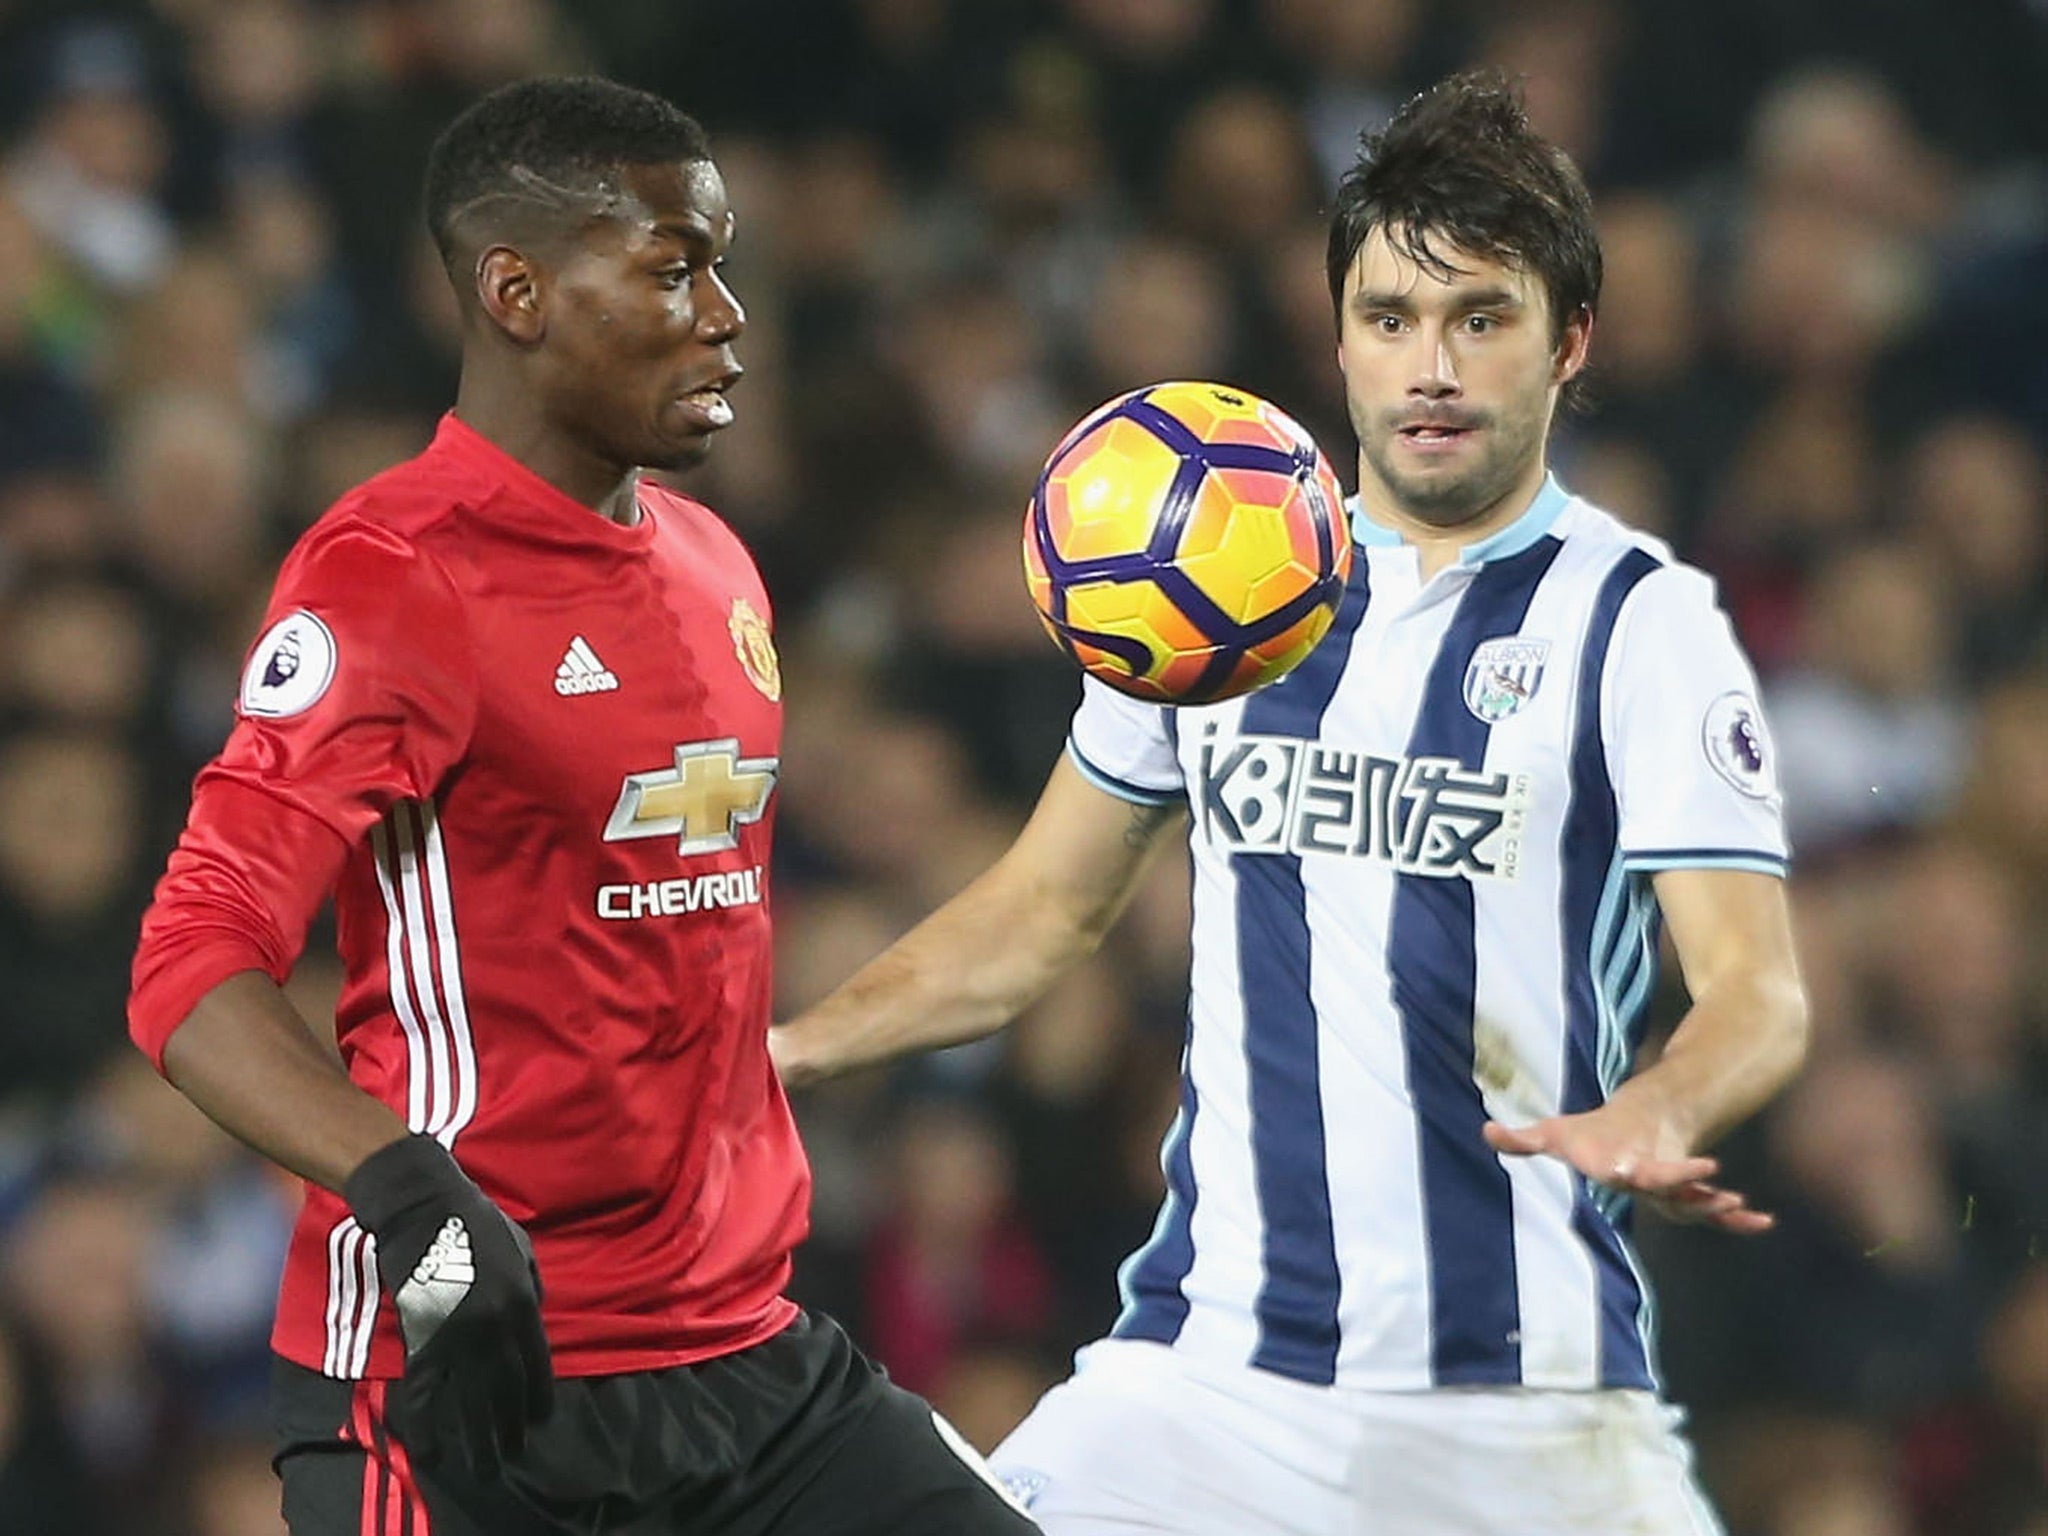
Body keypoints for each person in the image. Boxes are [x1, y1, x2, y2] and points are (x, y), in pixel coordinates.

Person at [771, 72, 1810, 1536]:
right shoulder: (1216, 590)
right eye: (1391, 319)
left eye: (1482, 318)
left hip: (1518, 1399)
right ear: (1338, 341)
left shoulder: (1640, 628)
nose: (1430, 367)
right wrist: (790, 1053)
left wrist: (1657, 1106)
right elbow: (1039, 911)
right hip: (1209, 1379)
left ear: (1570, 343)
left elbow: (1758, 994)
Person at [127, 76, 1034, 1536]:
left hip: (752, 1359)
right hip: (471, 1383)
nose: (729, 311)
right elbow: (191, 963)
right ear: (519, 292)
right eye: (675, 268)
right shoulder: (392, 575)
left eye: (723, 265)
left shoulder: (716, 563)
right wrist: (401, 1183)